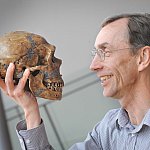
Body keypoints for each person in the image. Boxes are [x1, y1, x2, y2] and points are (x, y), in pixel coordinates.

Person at [0, 13, 150, 150]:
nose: (93, 66)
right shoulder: (108, 129)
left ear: (142, 57)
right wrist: (30, 111)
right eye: (95, 54)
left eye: (105, 52)